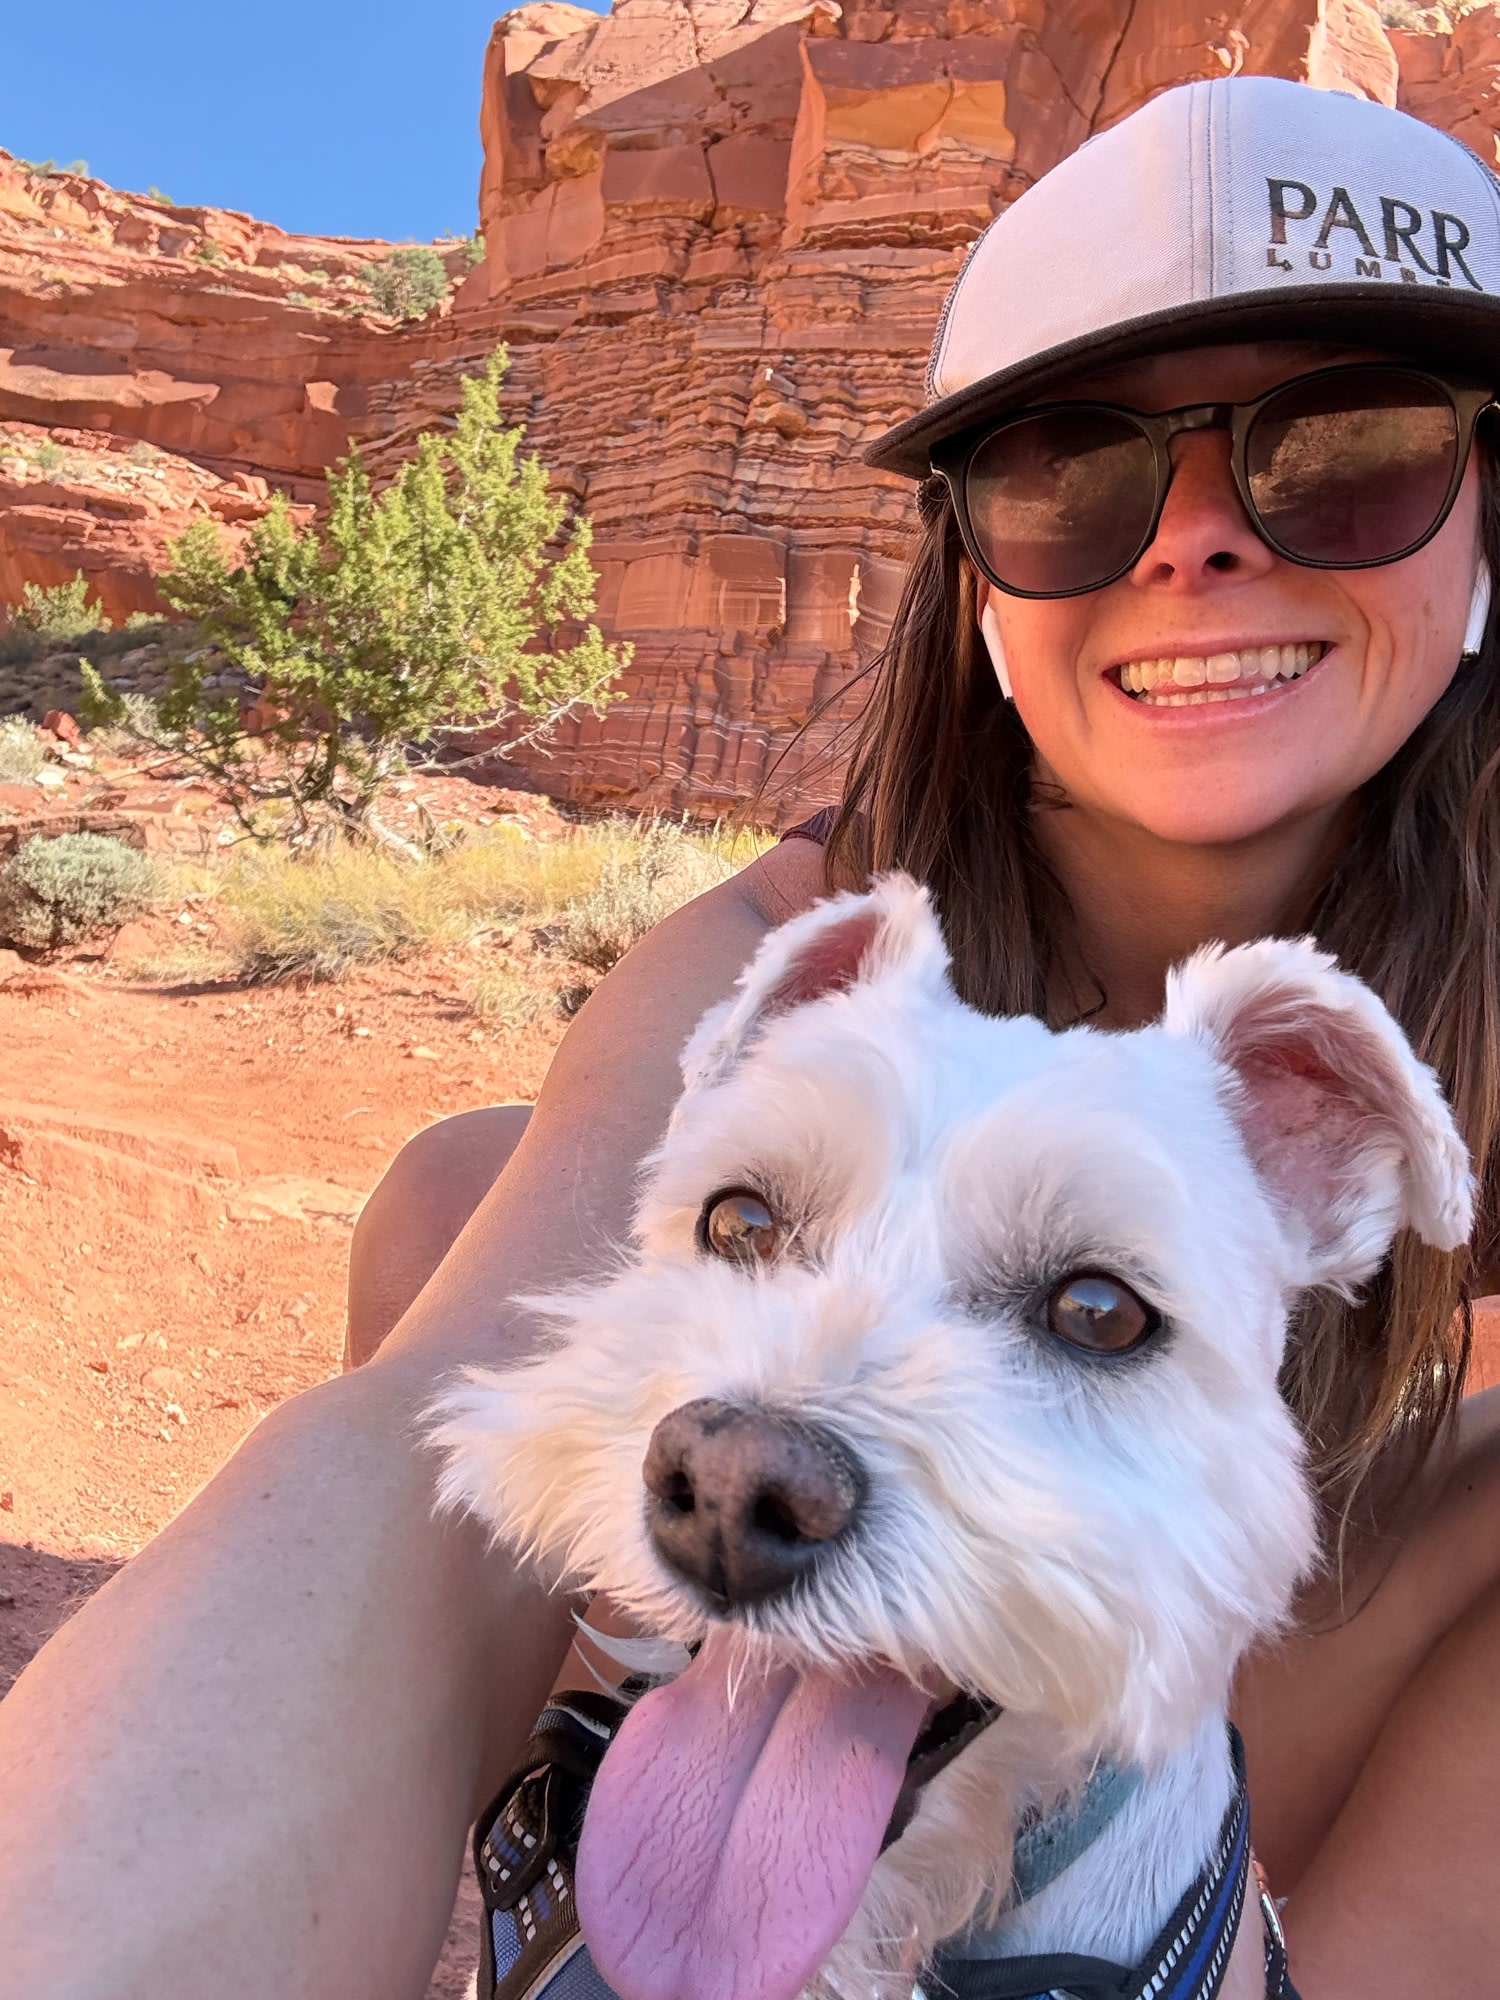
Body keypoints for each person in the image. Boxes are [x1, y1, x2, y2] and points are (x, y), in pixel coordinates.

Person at [4, 71, 1500, 2000]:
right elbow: (434, 1411)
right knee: (471, 1202)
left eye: (1353, 448)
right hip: (914, 1632)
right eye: (1069, 469)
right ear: (976, 581)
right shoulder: (799, 936)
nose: (1196, 541)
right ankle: (624, 1835)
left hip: (1263, 1662)